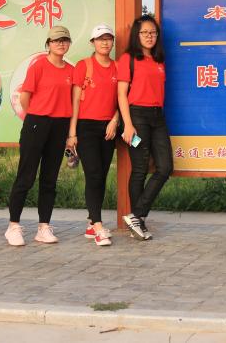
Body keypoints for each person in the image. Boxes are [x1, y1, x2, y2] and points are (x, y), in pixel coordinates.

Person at [5, 25, 75, 247]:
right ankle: (13, 226)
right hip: (37, 122)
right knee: (26, 177)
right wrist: (34, 118)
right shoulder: (38, 66)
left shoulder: (71, 70)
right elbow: (25, 97)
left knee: (49, 179)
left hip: (60, 126)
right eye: (56, 40)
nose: (60, 44)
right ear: (48, 44)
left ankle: (44, 227)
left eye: (64, 40)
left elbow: (73, 102)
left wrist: (70, 133)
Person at [117, 14, 172, 240]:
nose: (149, 36)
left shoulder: (159, 60)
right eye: (145, 33)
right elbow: (121, 94)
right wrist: (128, 125)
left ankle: (136, 215)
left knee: (165, 167)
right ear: (136, 35)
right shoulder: (128, 59)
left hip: (158, 117)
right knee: (139, 169)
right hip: (137, 116)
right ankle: (138, 223)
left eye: (153, 33)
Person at [67, 24, 120, 247]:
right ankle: (98, 227)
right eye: (100, 39)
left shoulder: (117, 67)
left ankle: (91, 222)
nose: (105, 42)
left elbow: (122, 99)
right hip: (86, 127)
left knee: (101, 176)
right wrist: (72, 133)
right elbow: (75, 101)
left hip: (108, 128)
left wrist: (115, 120)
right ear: (93, 43)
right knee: (94, 173)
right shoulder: (83, 66)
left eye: (108, 38)